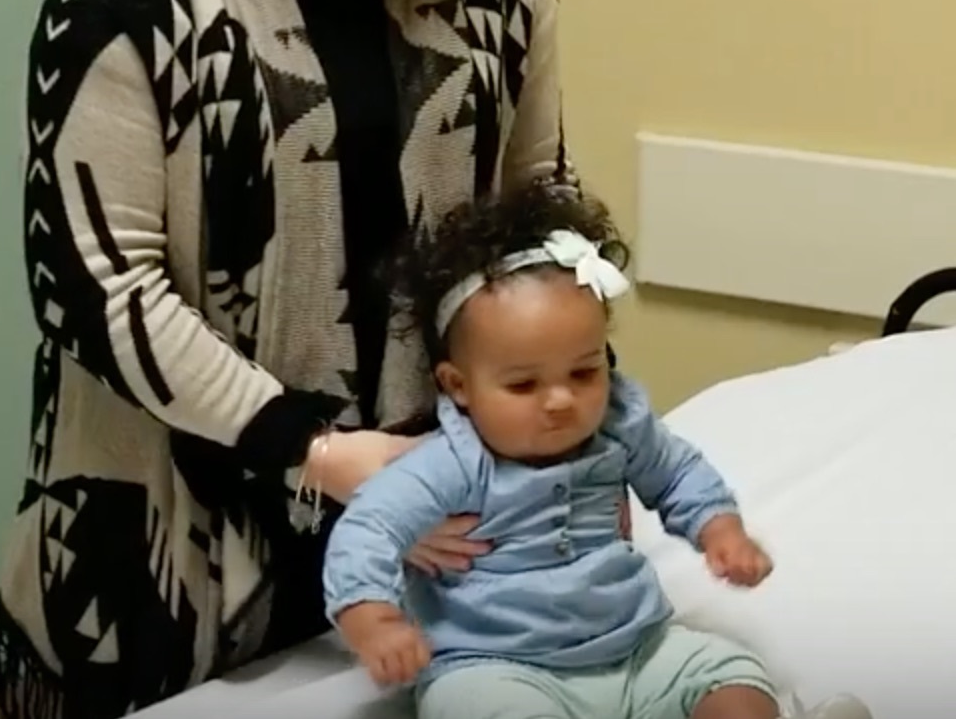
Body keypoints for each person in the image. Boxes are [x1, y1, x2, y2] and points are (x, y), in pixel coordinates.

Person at [0, 0, 573, 719]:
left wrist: (551, 405)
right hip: (167, 543)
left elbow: (534, 206)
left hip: (425, 514)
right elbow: (100, 290)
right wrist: (316, 450)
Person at [322, 179, 869, 719]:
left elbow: (678, 474)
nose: (561, 400)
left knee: (731, 675)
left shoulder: (618, 426)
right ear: (459, 385)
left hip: (635, 650)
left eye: (584, 371)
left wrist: (719, 529)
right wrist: (372, 616)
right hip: (496, 668)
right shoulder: (449, 464)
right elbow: (369, 528)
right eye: (523, 385)